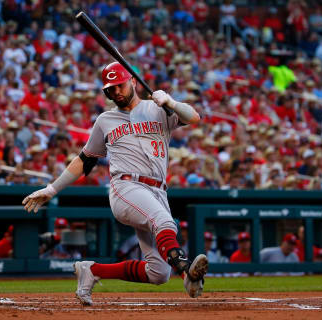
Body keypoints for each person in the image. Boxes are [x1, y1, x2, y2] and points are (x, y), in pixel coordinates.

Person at [23, 62, 206, 305]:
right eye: (110, 90)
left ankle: (93, 270)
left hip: (157, 191)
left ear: (131, 81)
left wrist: (171, 102)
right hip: (126, 187)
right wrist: (52, 188)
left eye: (119, 86)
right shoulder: (105, 119)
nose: (116, 92)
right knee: (163, 222)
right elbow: (85, 160)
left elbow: (194, 117)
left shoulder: (159, 108)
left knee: (158, 273)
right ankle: (185, 270)